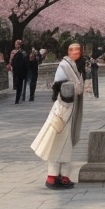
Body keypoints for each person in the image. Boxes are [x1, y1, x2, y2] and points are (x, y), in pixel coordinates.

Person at [31, 42, 85, 189]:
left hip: (68, 109)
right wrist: (76, 88)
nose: (76, 52)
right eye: (73, 50)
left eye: (78, 50)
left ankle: (61, 175)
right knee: (59, 142)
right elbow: (61, 87)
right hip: (63, 109)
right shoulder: (64, 66)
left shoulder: (72, 65)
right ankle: (54, 176)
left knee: (64, 143)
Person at [9, 40, 28, 104]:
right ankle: (18, 97)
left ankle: (19, 97)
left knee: (19, 84)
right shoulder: (14, 52)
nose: (15, 45)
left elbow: (12, 61)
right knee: (19, 84)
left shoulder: (22, 53)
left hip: (18, 71)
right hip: (19, 71)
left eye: (17, 44)